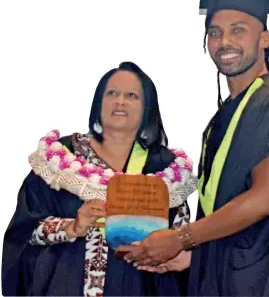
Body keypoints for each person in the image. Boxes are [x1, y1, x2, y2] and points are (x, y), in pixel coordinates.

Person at [116, 0, 269, 296]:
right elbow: (228, 211)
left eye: (238, 30)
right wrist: (195, 257)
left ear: (264, 38)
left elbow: (264, 200)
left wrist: (181, 238)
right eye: (215, 32)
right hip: (229, 277)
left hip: (268, 284)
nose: (224, 42)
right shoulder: (226, 114)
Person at [2, 61, 197, 296]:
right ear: (99, 102)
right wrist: (71, 226)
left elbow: (180, 240)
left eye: (132, 95)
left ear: (148, 108)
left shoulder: (164, 169)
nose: (120, 101)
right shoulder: (60, 158)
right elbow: (24, 231)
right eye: (112, 93)